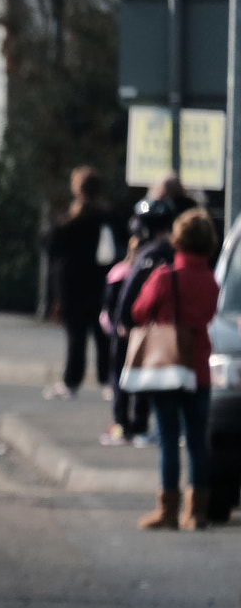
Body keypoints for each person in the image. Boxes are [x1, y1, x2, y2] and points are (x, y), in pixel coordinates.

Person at [130, 208, 221, 530]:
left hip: (167, 366)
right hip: (199, 368)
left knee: (169, 439)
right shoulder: (211, 281)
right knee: (197, 441)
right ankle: (197, 512)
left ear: (178, 239)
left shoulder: (165, 278)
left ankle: (168, 510)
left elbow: (139, 311)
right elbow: (210, 316)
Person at [100, 198, 177, 446]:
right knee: (146, 379)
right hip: (163, 328)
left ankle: (123, 425)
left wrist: (122, 321)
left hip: (136, 328)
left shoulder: (149, 254)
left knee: (123, 377)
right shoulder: (173, 253)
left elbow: (129, 294)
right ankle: (141, 426)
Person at [42, 167, 121, 400]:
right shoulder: (109, 216)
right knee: (102, 335)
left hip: (72, 285)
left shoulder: (69, 220)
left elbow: (49, 246)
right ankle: (107, 381)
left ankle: (71, 382)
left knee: (75, 337)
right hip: (102, 282)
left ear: (77, 190)